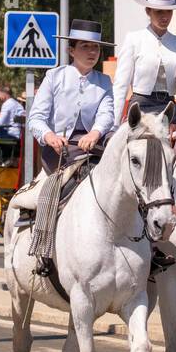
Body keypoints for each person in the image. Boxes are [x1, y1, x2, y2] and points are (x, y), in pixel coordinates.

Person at [25, 20, 115, 270]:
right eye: (85, 46)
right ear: (71, 50)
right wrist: (49, 137)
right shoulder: (54, 77)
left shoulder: (104, 81)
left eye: (95, 47)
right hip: (60, 150)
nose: (92, 52)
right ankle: (43, 247)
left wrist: (95, 133)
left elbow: (107, 114)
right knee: (55, 187)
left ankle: (145, 246)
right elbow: (36, 118)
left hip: (94, 147)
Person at [113, 0, 176, 126]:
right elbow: (121, 85)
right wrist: (113, 125)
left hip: (168, 107)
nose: (165, 17)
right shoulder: (134, 39)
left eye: (169, 11)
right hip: (141, 108)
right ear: (148, 11)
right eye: (159, 11)